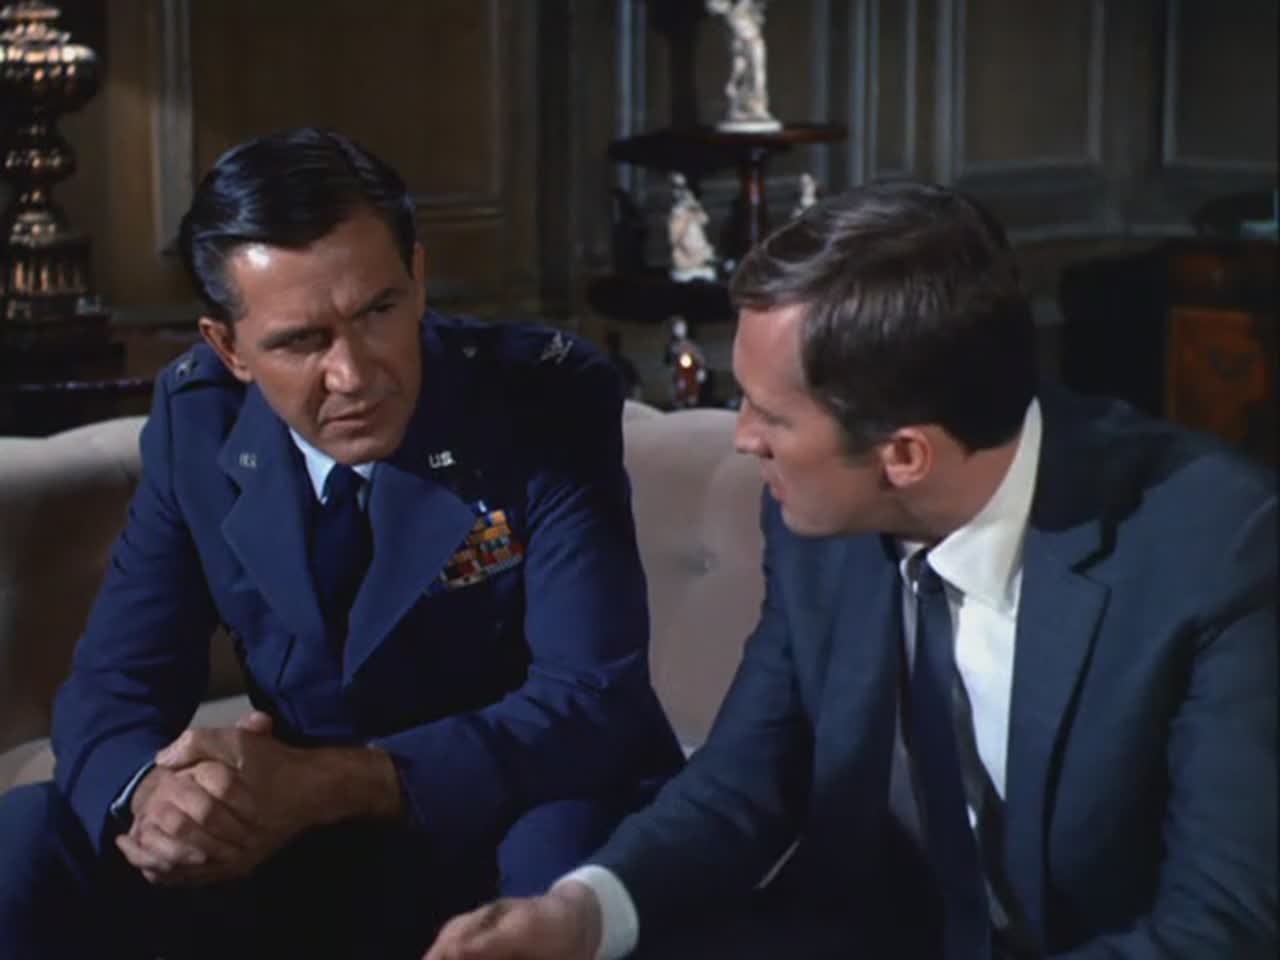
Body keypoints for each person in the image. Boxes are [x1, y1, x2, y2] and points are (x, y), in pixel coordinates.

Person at [425, 180, 1278, 959]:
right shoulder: (816, 521)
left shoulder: (1219, 545)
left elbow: (1222, 926)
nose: (741, 438)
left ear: (904, 455)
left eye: (770, 416)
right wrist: (579, 916)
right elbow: (745, 779)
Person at [0, 127, 683, 959]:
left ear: (418, 279)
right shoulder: (198, 422)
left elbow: (590, 705)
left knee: (560, 855)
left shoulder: (542, 397)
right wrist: (155, 800)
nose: (355, 375)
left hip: (511, 807)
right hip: (308, 847)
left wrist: (326, 784)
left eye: (378, 312)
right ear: (229, 348)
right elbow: (116, 685)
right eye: (301, 341)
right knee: (29, 837)